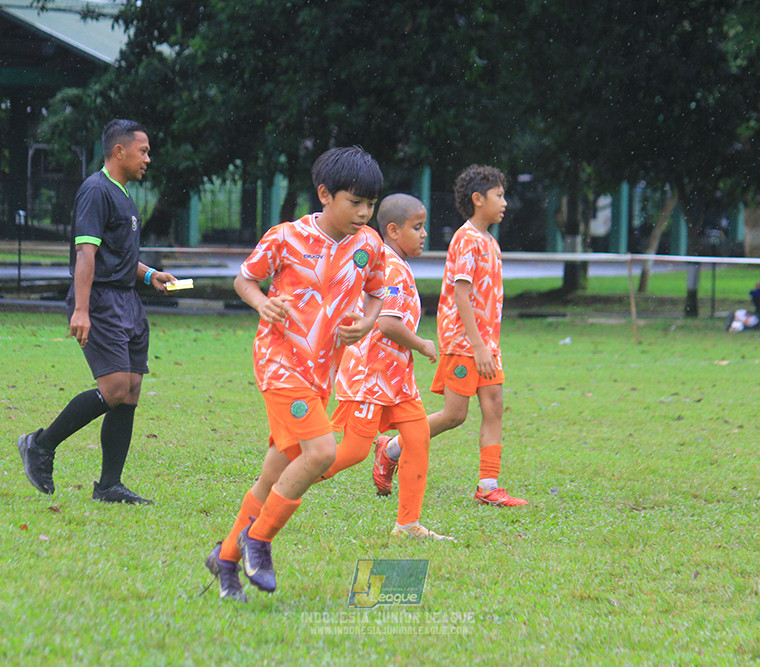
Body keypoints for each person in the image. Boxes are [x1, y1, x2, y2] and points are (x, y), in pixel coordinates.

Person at [204, 146, 386, 601]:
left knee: (273, 475)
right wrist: (263, 302)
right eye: (355, 202)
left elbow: (377, 293)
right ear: (325, 194)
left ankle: (226, 558)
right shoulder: (285, 237)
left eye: (371, 204)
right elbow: (244, 279)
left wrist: (366, 321)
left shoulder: (369, 245)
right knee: (322, 451)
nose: (364, 213)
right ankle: (258, 539)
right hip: (280, 364)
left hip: (322, 371)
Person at [15, 119, 178, 505]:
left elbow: (118, 255)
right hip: (101, 300)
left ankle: (109, 485)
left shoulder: (122, 194)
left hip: (127, 300)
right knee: (115, 387)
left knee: (132, 390)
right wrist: (82, 310)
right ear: (118, 151)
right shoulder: (95, 190)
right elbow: (86, 254)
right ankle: (40, 444)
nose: (148, 159)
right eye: (143, 151)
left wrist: (150, 274)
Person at [375, 165, 527, 507]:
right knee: (455, 414)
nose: (505, 202)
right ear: (478, 199)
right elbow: (461, 295)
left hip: (486, 345)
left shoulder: (489, 241)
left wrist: (488, 346)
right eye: (499, 195)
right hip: (464, 343)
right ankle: (392, 447)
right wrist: (477, 346)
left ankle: (488, 486)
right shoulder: (465, 239)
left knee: (494, 406)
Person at [317, 193, 452, 541]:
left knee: (419, 437)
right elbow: (389, 323)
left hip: (397, 378)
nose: (425, 234)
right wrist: (422, 344)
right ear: (393, 230)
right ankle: (286, 477)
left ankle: (407, 525)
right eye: (417, 227)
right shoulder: (390, 267)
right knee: (354, 451)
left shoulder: (396, 262)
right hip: (371, 377)